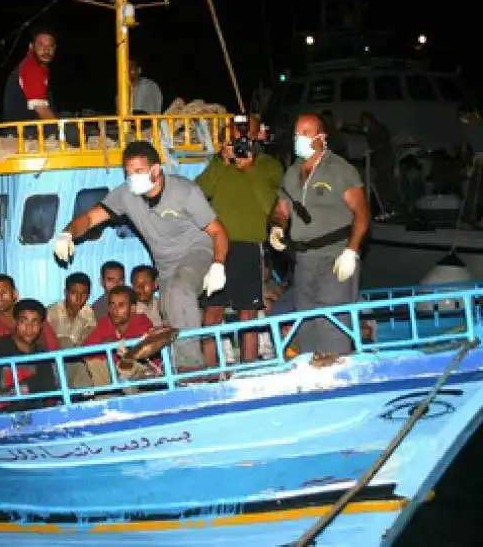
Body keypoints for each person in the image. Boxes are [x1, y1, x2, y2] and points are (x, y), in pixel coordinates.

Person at [54, 140, 229, 369]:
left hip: (198, 252)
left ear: (156, 170)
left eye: (139, 171)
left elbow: (218, 231)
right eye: (128, 173)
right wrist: (67, 234)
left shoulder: (186, 192)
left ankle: (191, 371)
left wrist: (218, 265)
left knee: (179, 291)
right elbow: (89, 218)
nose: (132, 178)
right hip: (166, 266)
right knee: (170, 313)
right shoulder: (127, 195)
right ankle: (176, 370)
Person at [269, 113, 370, 357]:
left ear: (321, 138)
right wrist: (277, 226)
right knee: (306, 317)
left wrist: (351, 252)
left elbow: (362, 215)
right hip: (304, 259)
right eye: (297, 133)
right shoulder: (292, 172)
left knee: (332, 318)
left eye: (306, 133)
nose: (299, 139)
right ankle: (311, 365)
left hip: (335, 255)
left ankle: (337, 370)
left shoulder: (340, 171)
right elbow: (281, 209)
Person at [196, 116, 283, 362]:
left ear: (258, 135)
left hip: (249, 245)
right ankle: (210, 371)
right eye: (236, 131)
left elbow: (272, 207)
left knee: (249, 312)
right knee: (212, 310)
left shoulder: (269, 166)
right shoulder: (219, 161)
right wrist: (222, 163)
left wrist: (250, 169)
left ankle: (248, 368)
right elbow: (199, 192)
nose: (241, 136)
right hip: (217, 247)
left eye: (246, 132)